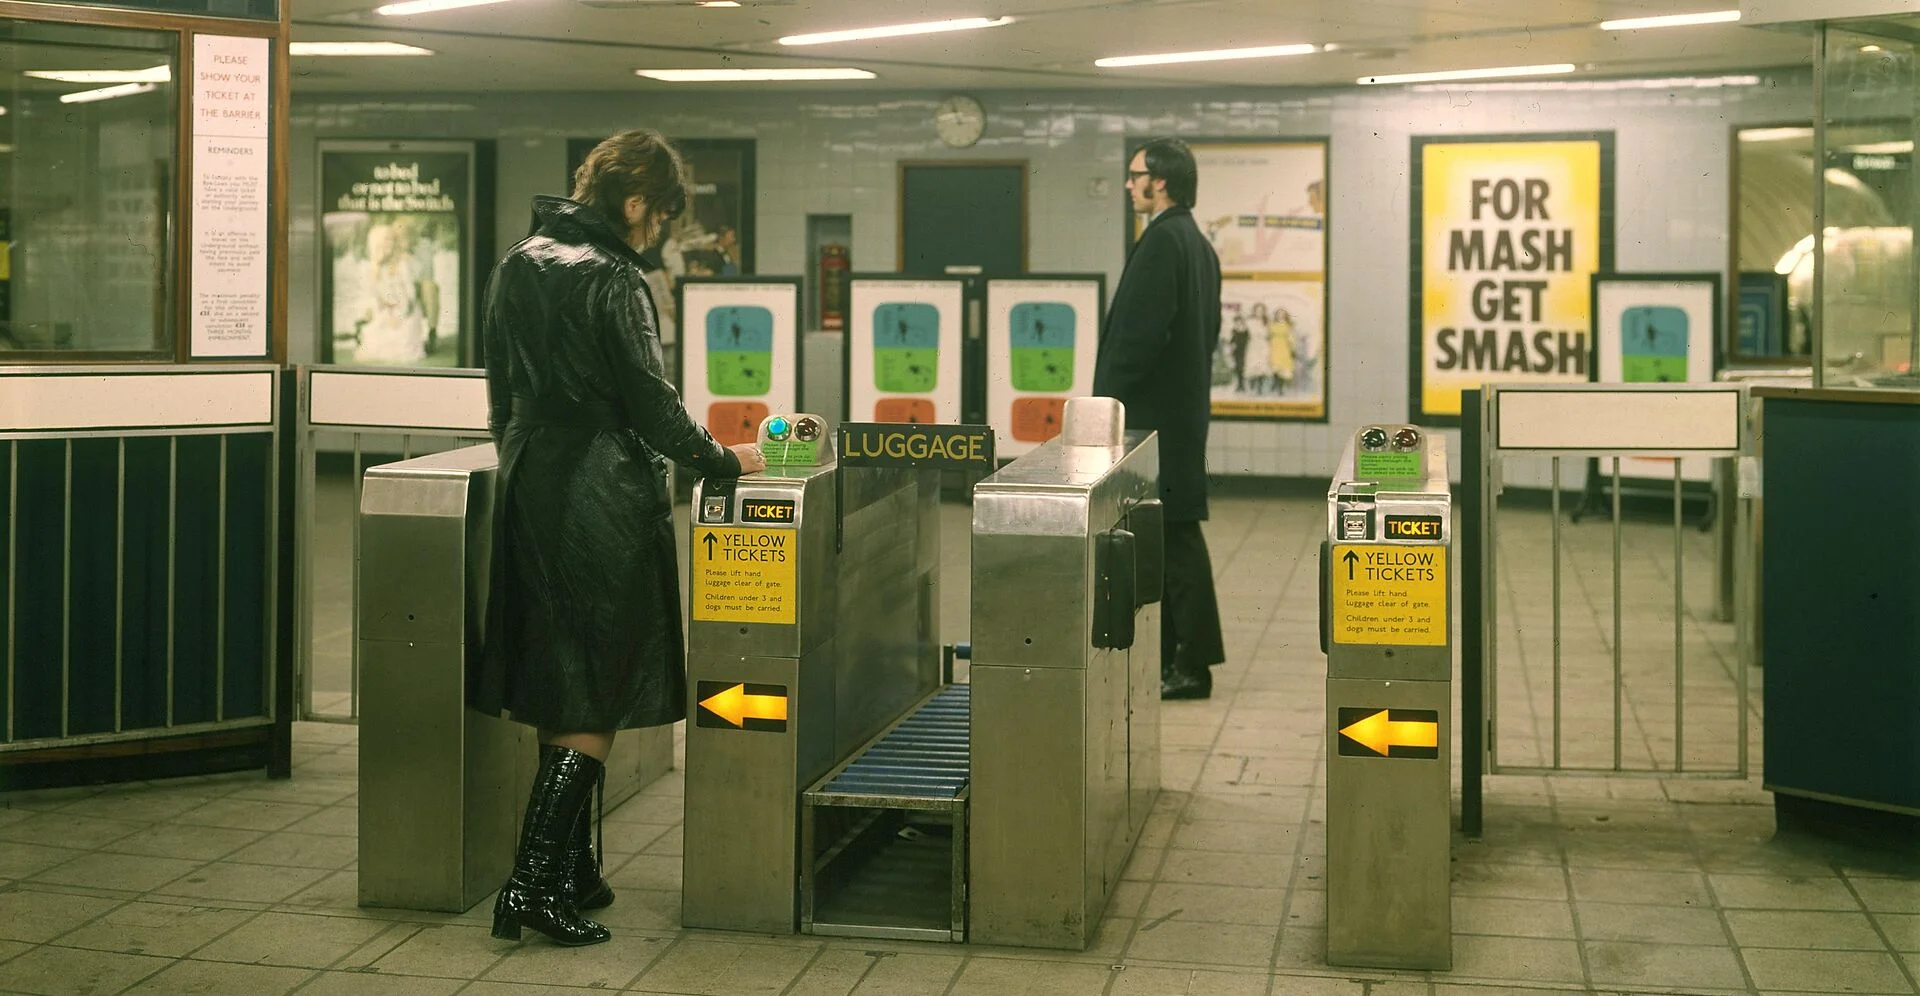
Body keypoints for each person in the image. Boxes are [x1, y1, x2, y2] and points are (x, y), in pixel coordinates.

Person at [475, 129, 767, 947]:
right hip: (600, 489)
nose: (663, 234)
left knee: (559, 670)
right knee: (596, 681)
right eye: (664, 217)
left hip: (532, 478)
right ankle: (530, 885)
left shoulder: (514, 260)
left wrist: (523, 461)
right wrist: (720, 459)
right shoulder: (613, 277)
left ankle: (572, 870)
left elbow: (498, 392)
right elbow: (651, 403)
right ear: (637, 204)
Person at [1094, 137, 1227, 701]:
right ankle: (1182, 656)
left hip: (1151, 419)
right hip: (1182, 411)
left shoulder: (1160, 243)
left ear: (1162, 181)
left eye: (1135, 175)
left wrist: (1106, 405)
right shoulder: (1198, 244)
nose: (1129, 185)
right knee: (1174, 533)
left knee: (1174, 536)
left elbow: (1137, 340)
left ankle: (1191, 664)